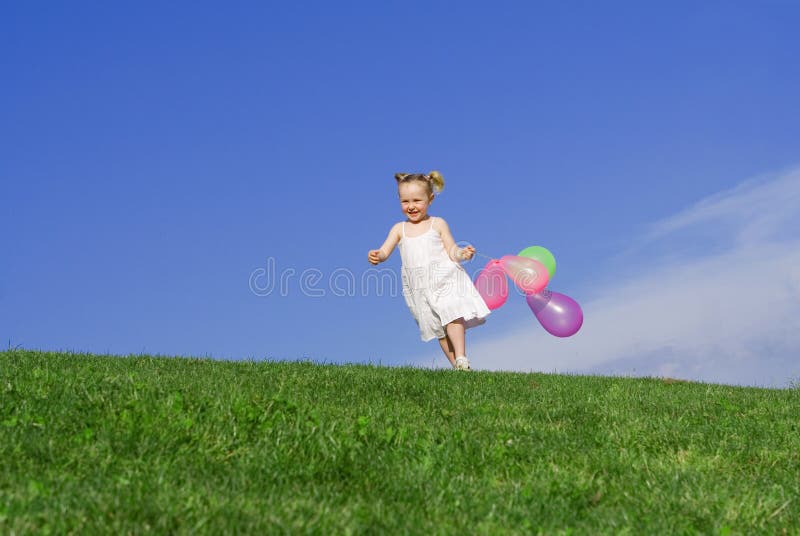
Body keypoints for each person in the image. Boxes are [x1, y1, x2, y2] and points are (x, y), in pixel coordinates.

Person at [368, 171, 490, 370]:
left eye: (417, 200)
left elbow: (451, 249)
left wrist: (462, 254)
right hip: (419, 286)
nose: (411, 206)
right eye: (405, 201)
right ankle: (458, 369)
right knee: (439, 330)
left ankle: (461, 357)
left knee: (453, 313)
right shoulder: (399, 229)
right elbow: (385, 250)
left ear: (430, 199)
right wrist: (377, 256)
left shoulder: (438, 224)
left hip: (444, 278)